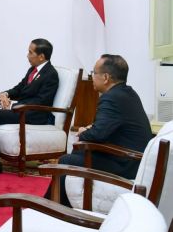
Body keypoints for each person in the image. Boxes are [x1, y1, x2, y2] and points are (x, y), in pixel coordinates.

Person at [45, 54, 152, 206]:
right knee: (78, 153)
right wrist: (91, 129)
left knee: (66, 160)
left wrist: (83, 132)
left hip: (125, 164)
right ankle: (57, 204)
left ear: (106, 77)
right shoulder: (128, 93)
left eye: (94, 73)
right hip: (133, 160)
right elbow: (109, 126)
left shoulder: (111, 98)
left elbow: (97, 134)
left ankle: (52, 207)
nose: (92, 76)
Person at [0, 38, 59, 175]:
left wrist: (14, 105)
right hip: (22, 111)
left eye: (30, 52)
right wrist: (4, 94)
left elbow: (41, 101)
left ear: (41, 56)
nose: (27, 55)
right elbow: (19, 89)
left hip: (33, 115)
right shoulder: (33, 70)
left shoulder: (51, 74)